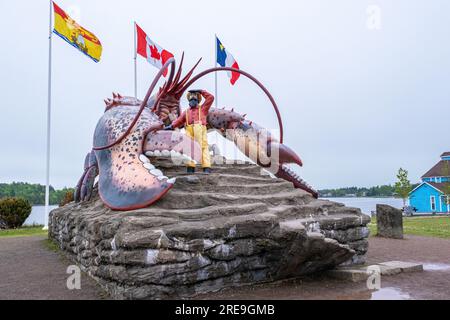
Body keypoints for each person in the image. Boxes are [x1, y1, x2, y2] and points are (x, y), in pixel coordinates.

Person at [164, 90, 214, 173]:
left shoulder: (203, 109)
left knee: (203, 147)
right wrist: (171, 126)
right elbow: (179, 121)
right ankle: (190, 167)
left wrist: (201, 91)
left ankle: (206, 168)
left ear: (198, 100)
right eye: (190, 99)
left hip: (200, 129)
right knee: (189, 148)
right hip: (189, 130)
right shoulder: (186, 112)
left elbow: (211, 98)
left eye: (194, 99)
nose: (192, 101)